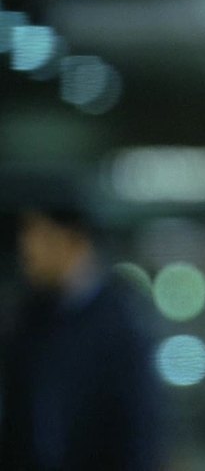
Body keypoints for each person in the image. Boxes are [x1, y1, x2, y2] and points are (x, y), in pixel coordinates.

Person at [0, 172, 165, 470]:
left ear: (74, 239)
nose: (26, 248)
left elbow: (138, 436)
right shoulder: (28, 321)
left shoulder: (121, 325)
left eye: (38, 233)